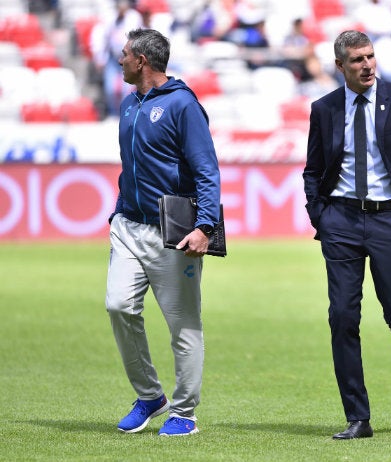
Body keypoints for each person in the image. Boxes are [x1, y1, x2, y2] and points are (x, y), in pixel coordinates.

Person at [303, 30, 391, 439]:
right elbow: (312, 170)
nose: (366, 65)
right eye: (357, 60)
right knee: (342, 317)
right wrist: (320, 217)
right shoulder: (323, 109)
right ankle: (357, 418)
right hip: (340, 221)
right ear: (339, 65)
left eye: (370, 57)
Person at [104, 28, 221, 436]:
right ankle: (150, 396)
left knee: (183, 324)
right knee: (118, 306)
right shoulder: (128, 104)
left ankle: (184, 412)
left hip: (173, 233)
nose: (118, 61)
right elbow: (130, 167)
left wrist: (206, 226)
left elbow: (207, 170)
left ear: (141, 61)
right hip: (127, 227)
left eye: (123, 55)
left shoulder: (184, 105)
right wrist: (118, 212)